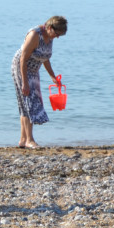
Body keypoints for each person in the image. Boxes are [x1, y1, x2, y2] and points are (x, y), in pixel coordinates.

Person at [12, 15, 67, 148]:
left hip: (34, 70)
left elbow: (45, 58)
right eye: (57, 33)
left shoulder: (50, 36)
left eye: (60, 35)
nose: (57, 37)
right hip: (21, 69)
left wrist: (52, 76)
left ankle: (23, 140)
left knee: (26, 103)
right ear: (49, 27)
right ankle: (30, 140)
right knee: (28, 102)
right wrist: (24, 82)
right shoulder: (34, 35)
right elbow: (23, 59)